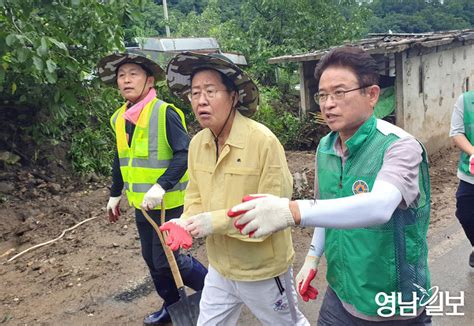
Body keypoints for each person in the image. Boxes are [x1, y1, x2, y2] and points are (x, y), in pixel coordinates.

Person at [229, 47, 432, 325]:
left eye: (339, 92)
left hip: (392, 305)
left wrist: (291, 211)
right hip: (340, 294)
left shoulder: (399, 146)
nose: (328, 104)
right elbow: (326, 208)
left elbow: (380, 206)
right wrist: (312, 258)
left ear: (371, 95)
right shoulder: (326, 147)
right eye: (323, 95)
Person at [160, 51, 309, 325]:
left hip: (263, 270)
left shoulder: (263, 141)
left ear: (233, 97)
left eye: (210, 91)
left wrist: (209, 223)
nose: (201, 100)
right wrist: (185, 221)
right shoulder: (197, 144)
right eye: (195, 93)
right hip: (220, 268)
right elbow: (195, 194)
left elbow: (273, 212)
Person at [96, 52, 207, 325]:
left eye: (133, 74)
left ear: (148, 80)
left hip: (168, 202)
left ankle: (216, 289)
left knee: (169, 259)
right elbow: (121, 157)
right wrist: (114, 193)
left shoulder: (164, 112)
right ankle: (171, 306)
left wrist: (161, 185)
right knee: (151, 259)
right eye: (121, 75)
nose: (126, 80)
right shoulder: (119, 118)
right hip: (142, 205)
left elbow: (185, 153)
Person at [449, 91, 474, 268]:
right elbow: (457, 132)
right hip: (470, 173)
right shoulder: (465, 101)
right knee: (465, 213)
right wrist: (473, 152)